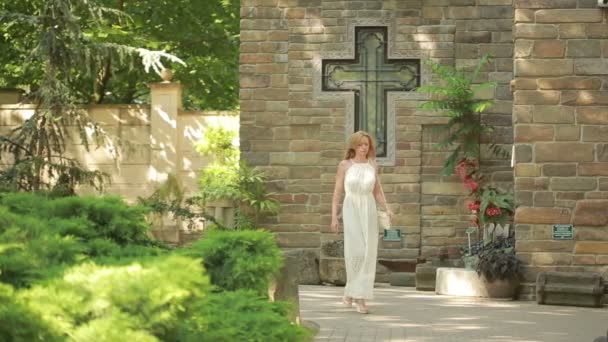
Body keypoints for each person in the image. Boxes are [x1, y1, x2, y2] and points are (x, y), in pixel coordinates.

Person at [331, 131, 393, 314]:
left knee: (368, 253)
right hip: (351, 209)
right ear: (353, 146)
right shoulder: (344, 165)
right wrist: (334, 216)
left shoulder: (373, 165)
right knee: (355, 251)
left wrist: (387, 208)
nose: (364, 148)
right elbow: (337, 193)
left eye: (366, 144)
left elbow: (377, 192)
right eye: (360, 144)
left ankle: (358, 296)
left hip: (369, 210)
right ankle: (354, 294)